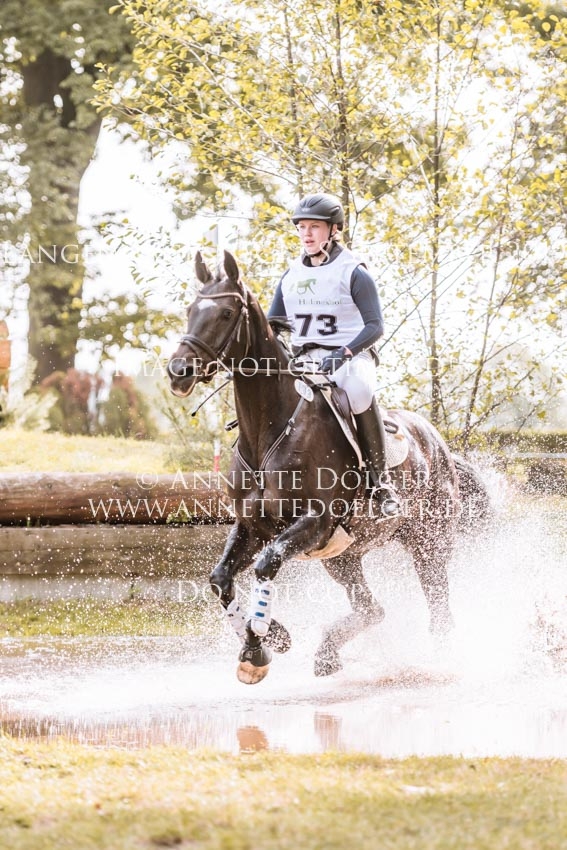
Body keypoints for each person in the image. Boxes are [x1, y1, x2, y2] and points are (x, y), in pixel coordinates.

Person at [268, 192, 401, 518]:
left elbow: (375, 326)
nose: (307, 234)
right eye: (302, 227)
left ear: (334, 229)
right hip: (305, 359)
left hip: (351, 356)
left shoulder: (353, 271)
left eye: (314, 227)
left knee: (359, 392)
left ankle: (379, 482)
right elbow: (273, 324)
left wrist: (344, 354)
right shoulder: (291, 275)